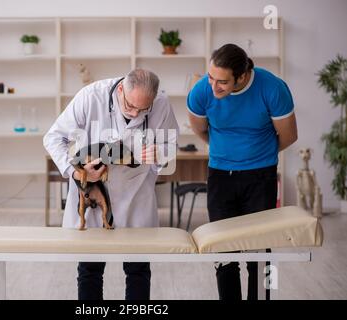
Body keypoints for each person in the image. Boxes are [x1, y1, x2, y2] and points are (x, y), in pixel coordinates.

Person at [44, 68, 179, 300]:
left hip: (136, 194)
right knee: (90, 269)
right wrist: (75, 173)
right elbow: (54, 137)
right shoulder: (91, 96)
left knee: (138, 269)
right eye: (129, 106)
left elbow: (171, 144)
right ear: (120, 91)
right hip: (94, 193)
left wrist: (161, 152)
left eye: (142, 109)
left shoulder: (162, 104)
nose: (135, 113)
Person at [187, 43, 297, 300]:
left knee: (259, 250)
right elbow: (200, 130)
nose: (213, 87)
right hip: (220, 176)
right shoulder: (202, 90)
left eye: (222, 82)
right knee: (223, 251)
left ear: (243, 76)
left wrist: (257, 155)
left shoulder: (272, 88)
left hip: (261, 177)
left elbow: (289, 135)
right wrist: (227, 153)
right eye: (211, 77)